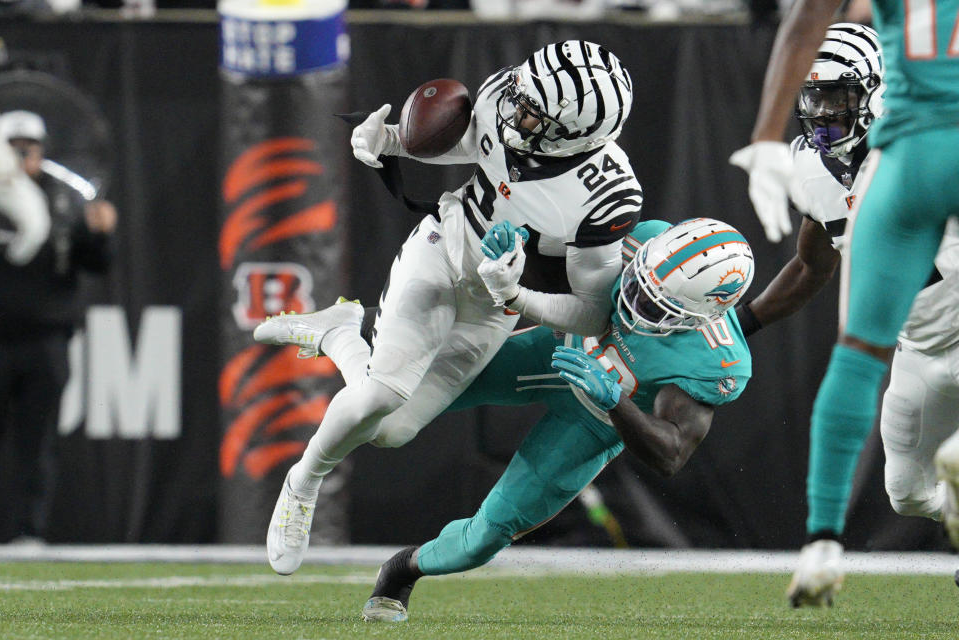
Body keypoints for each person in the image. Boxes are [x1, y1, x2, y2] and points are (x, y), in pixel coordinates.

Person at [256, 40, 644, 576]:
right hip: (442, 249)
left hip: (497, 305)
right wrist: (387, 140)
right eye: (521, 95)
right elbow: (462, 142)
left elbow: (593, 314)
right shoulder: (508, 97)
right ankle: (303, 481)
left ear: (575, 134)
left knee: (393, 431)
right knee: (378, 396)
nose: (515, 109)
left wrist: (515, 297)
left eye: (534, 112)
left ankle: (341, 333)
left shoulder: (603, 195)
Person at [258, 217, 754, 621]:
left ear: (702, 314)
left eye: (653, 304)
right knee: (389, 418)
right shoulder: (645, 240)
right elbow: (567, 260)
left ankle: (400, 572)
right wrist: (517, 248)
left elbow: (669, 454)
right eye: (638, 282)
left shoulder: (714, 362)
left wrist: (615, 402)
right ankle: (345, 330)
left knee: (479, 543)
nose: (632, 303)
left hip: (593, 422)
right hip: (551, 349)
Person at [729, 0, 959, 607]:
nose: (826, 111)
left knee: (856, 354)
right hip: (919, 344)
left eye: (839, 96)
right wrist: (741, 322)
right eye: (817, 97)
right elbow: (812, 265)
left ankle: (822, 540)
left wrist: (763, 138)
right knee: (906, 493)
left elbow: (805, 17)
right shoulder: (814, 170)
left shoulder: (901, 150)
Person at [0, 110, 117, 542]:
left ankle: (27, 531)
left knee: (36, 441)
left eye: (32, 147)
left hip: (45, 340)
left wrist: (102, 234)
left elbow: (96, 263)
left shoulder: (65, 198)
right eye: (14, 147)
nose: (24, 155)